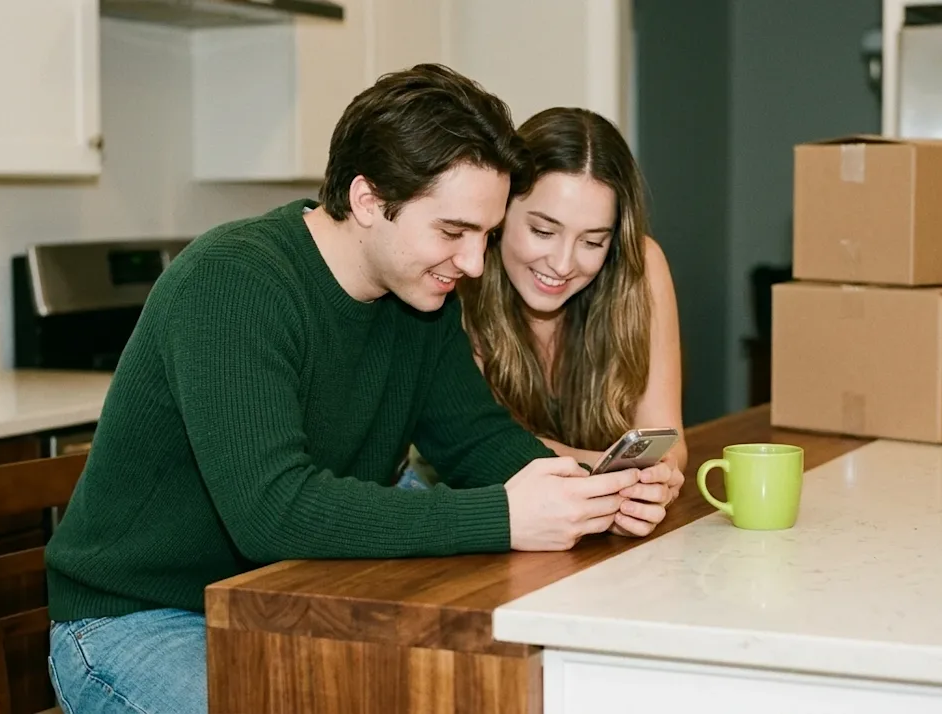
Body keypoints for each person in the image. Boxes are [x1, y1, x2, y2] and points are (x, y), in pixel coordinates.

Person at [42, 65, 674, 714]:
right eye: (453, 232)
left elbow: (477, 439)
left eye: (484, 236)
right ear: (370, 200)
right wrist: (508, 515)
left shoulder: (420, 300)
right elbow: (274, 510)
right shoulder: (235, 282)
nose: (474, 264)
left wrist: (595, 490)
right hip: (133, 621)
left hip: (289, 598)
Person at [401, 107, 687, 537]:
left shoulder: (640, 267)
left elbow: (667, 438)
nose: (563, 263)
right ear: (499, 213)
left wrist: (657, 481)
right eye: (543, 231)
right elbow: (484, 446)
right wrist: (610, 474)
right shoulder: (456, 280)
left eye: (593, 241)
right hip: (453, 519)